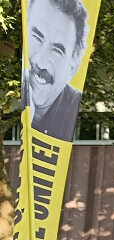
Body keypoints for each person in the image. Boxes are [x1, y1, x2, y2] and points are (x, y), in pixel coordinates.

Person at [22, 0, 88, 141]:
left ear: (73, 67)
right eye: (37, 38)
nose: (41, 61)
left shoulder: (73, 107)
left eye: (57, 50)